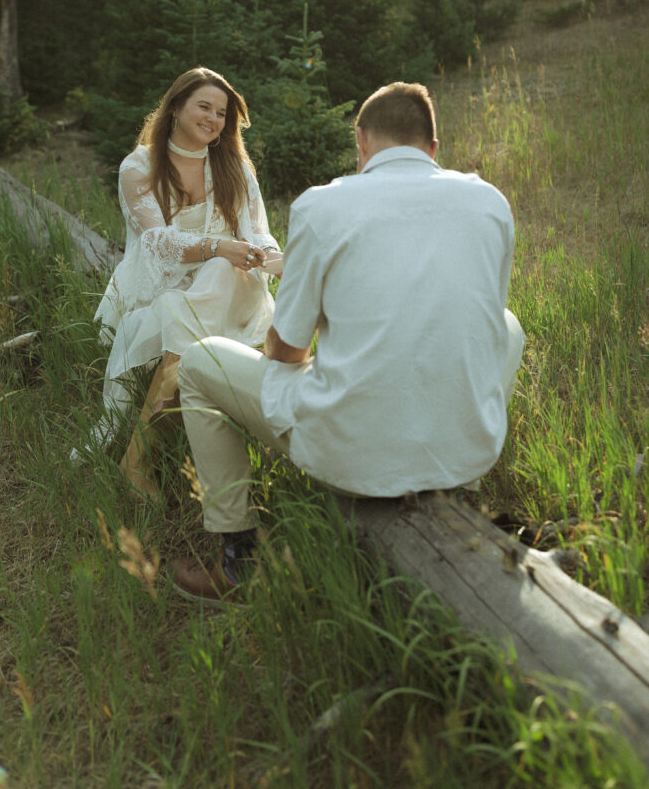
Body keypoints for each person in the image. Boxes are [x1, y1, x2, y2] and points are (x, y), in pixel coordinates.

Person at [171, 81, 526, 604]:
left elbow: (284, 350)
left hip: (353, 456)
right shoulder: (490, 203)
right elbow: (478, 326)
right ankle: (455, 491)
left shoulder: (323, 206)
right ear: (433, 147)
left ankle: (238, 559)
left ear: (361, 141)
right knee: (509, 323)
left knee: (200, 364)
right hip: (468, 452)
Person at [71, 66, 282, 497]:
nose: (213, 119)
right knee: (212, 276)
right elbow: (156, 242)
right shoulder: (140, 165)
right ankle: (147, 453)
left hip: (229, 286)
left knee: (223, 273)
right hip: (163, 288)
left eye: (221, 112)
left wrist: (273, 257)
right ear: (175, 110)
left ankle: (138, 457)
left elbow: (257, 233)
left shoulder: (233, 167)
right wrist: (220, 248)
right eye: (203, 106)